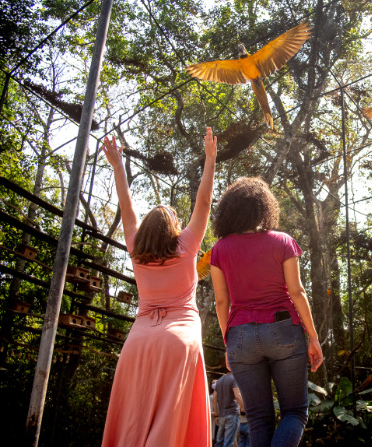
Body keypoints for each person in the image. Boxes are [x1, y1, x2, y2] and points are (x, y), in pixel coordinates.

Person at [101, 128, 217, 447]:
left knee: (133, 418)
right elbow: (204, 200)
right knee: (170, 421)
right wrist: (210, 159)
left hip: (137, 341)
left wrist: (117, 166)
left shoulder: (136, 249)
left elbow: (126, 206)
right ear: (175, 227)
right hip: (179, 338)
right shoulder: (186, 245)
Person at [210, 177, 323, 447]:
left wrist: (229, 344)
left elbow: (221, 303)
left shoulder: (219, 250)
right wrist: (313, 337)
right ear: (264, 207)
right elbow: (297, 293)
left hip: (240, 337)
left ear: (230, 210)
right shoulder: (283, 241)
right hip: (283, 331)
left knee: (259, 418)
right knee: (294, 412)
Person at [212, 372, 243, 447]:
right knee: (228, 442)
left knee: (219, 442)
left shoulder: (219, 381)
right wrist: (244, 407)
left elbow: (214, 398)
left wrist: (217, 413)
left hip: (222, 415)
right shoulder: (234, 379)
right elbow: (238, 396)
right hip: (232, 413)